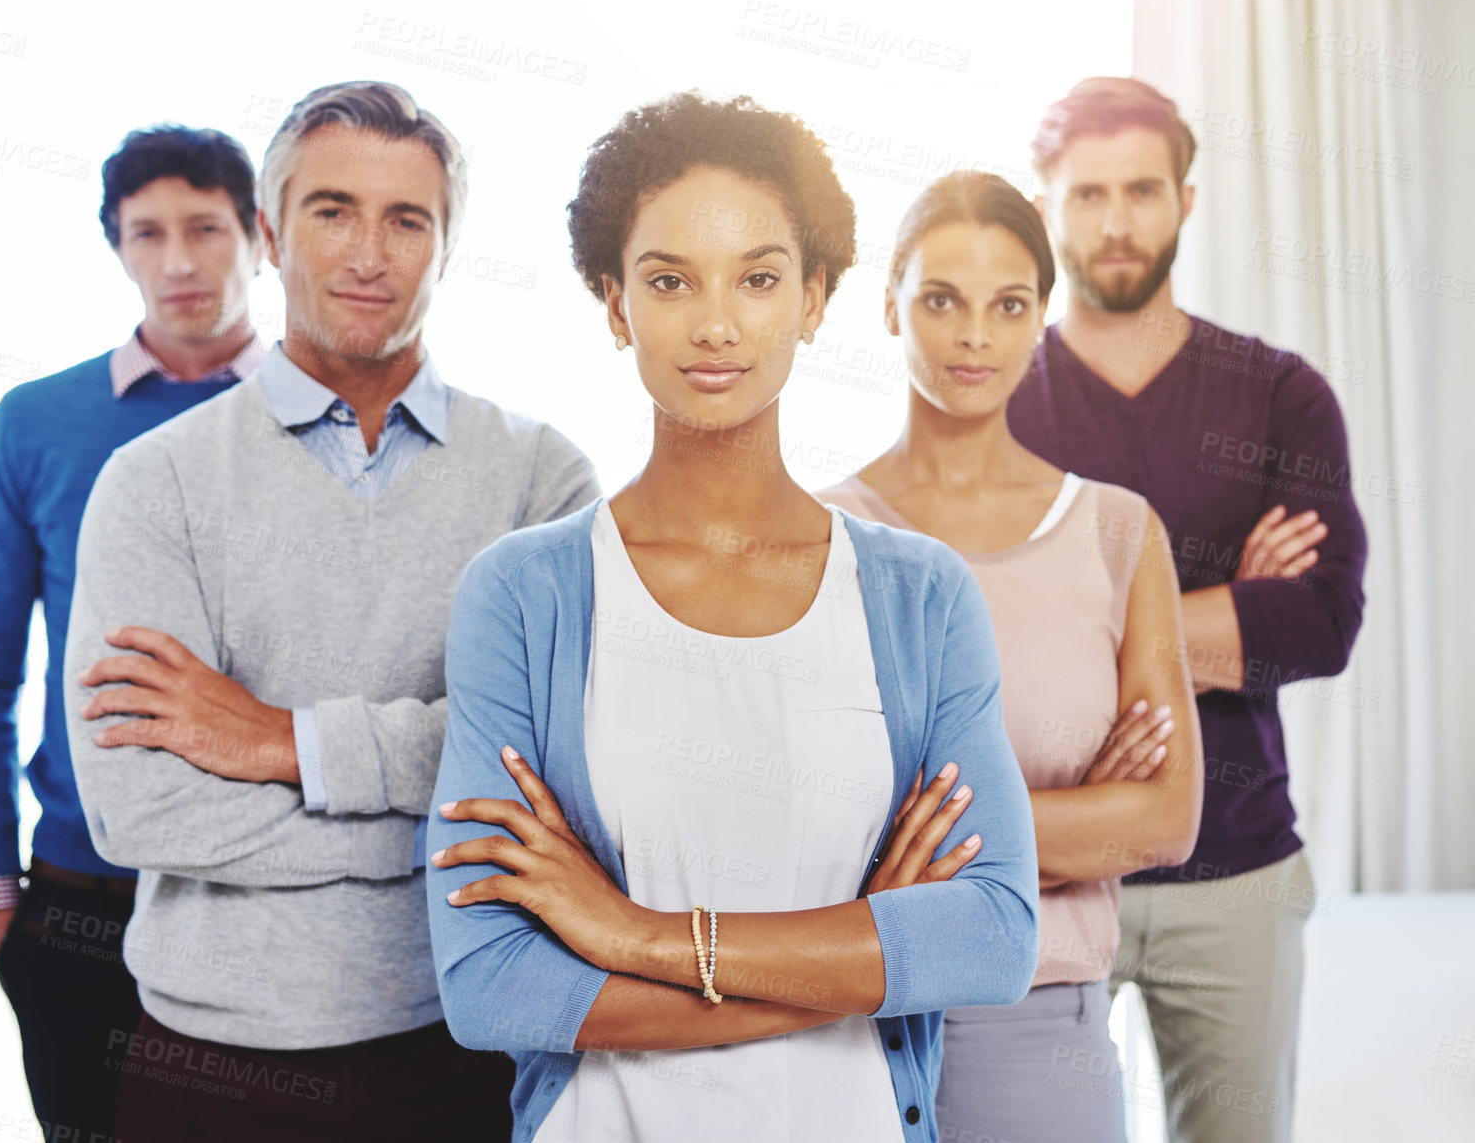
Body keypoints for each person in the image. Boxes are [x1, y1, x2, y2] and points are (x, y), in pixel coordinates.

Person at [425, 92, 1040, 1143]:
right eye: (670, 281)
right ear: (614, 303)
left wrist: (637, 933)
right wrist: (862, 953)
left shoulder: (920, 596)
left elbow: (991, 933)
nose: (716, 324)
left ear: (814, 297)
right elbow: (492, 985)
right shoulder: (523, 594)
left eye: (758, 278)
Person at [63, 81, 600, 1141]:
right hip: (208, 1068)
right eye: (333, 210)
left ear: (448, 248)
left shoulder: (543, 479)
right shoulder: (153, 482)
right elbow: (141, 809)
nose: (370, 252)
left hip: (466, 1048)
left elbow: (565, 766)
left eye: (409, 219)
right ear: (271, 231)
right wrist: (442, 833)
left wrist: (278, 739)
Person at [1006, 77, 1369, 1142]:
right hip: (1052, 866)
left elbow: (1322, 620)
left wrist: (1081, 620)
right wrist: (1230, 612)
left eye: (1142, 190)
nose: (1116, 222)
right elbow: (975, 641)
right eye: (1087, 196)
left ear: (1186, 201)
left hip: (1240, 870)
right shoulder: (1000, 400)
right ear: (1048, 208)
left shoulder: (1278, 393)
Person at [821, 169, 1203, 1141]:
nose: (974, 335)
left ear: (1043, 317)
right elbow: (812, 822)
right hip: (840, 1020)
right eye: (941, 300)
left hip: (1041, 1037)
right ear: (889, 304)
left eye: (1009, 304)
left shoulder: (1119, 531)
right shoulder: (821, 535)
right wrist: (1071, 821)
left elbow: (1165, 818)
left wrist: (928, 826)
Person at [0, 125, 267, 1143]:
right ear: (116, 245)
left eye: (207, 227)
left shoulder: (320, 415)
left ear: (259, 235)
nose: (179, 260)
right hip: (81, 906)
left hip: (273, 899)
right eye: (149, 232)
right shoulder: (37, 422)